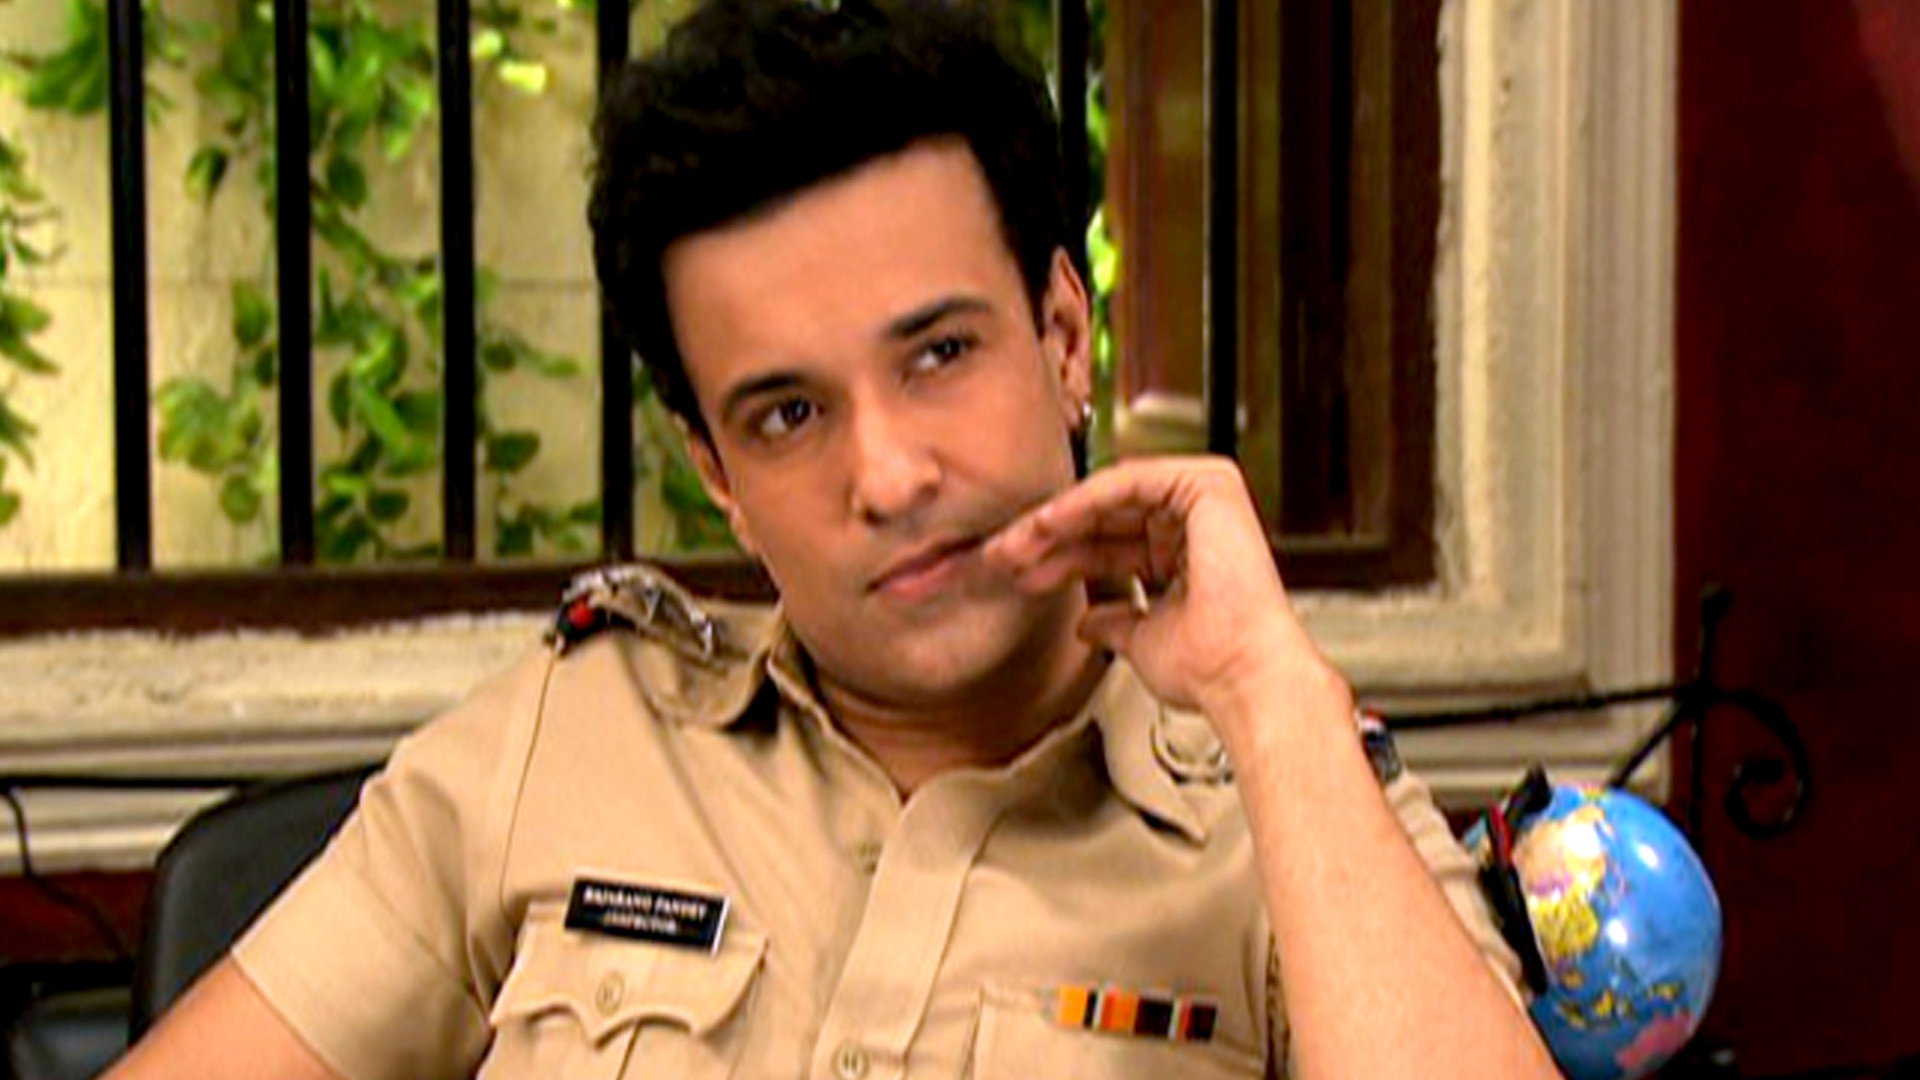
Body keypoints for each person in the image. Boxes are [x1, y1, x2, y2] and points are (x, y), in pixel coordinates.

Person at [106, 1, 1563, 1077]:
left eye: (939, 354)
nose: (887, 474)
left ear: (1066, 337)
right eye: (790, 414)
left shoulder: (1292, 809)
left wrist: (1267, 691)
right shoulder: (561, 742)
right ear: (717, 473)